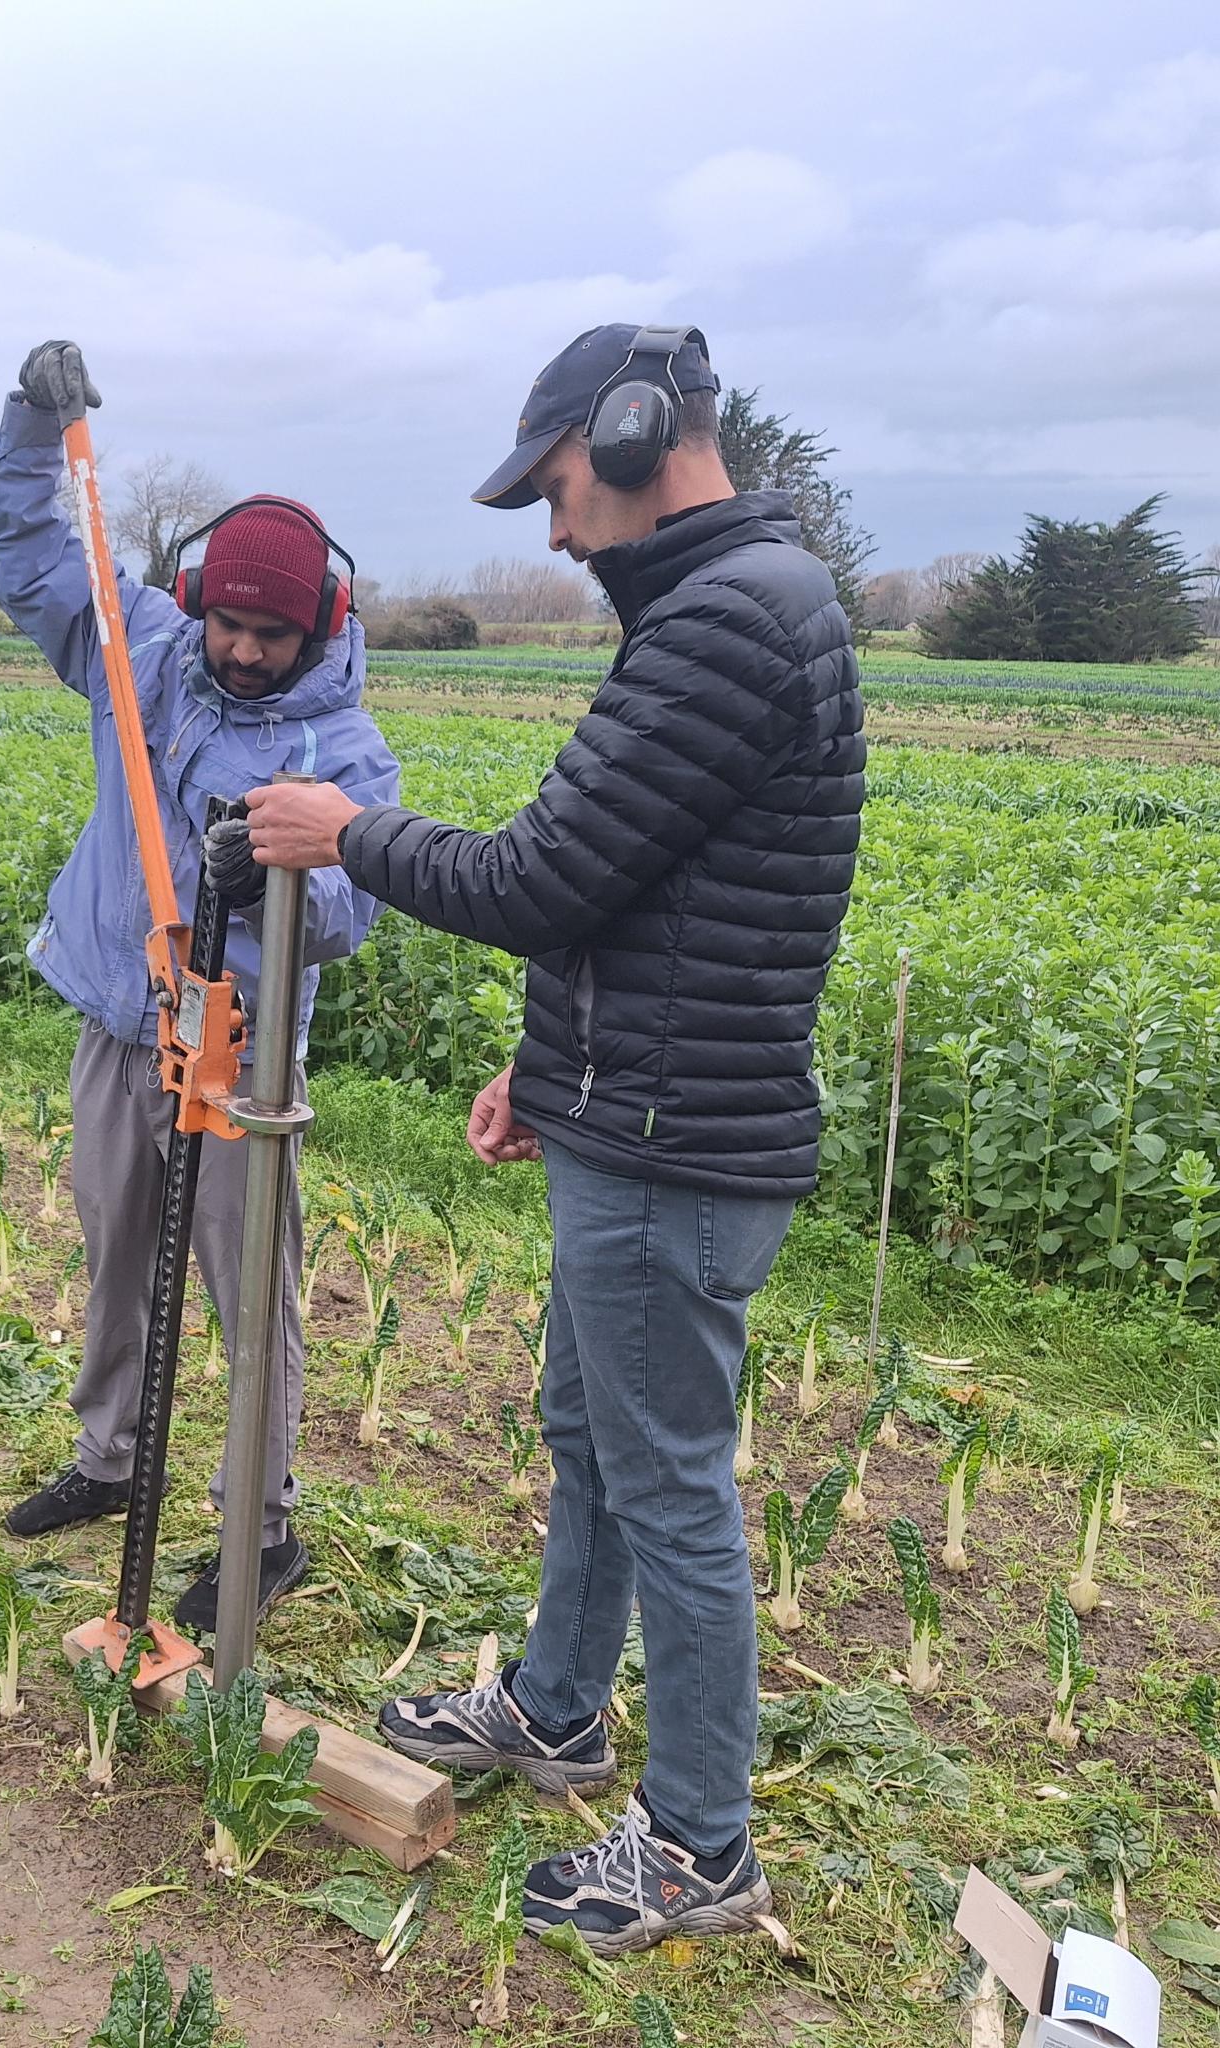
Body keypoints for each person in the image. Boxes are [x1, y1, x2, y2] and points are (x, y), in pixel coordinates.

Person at [245, 324, 864, 1954]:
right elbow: (651, 908)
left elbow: (536, 878)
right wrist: (544, 1074)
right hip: (635, 1117)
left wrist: (344, 832)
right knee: (589, 1435)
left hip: (672, 1153)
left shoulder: (725, 622)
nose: (548, 527)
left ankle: (699, 1849)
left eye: (554, 483)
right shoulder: (727, 606)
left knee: (666, 1488)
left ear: (636, 433)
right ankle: (556, 1707)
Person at [0, 340, 402, 1632]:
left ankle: (260, 1530)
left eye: (273, 634)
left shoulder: (346, 751)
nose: (245, 651)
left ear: (316, 628)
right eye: (229, 622)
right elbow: (22, 549)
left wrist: (275, 867)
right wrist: (33, 423)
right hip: (119, 1019)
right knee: (114, 1252)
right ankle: (111, 1460)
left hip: (240, 1050)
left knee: (245, 1290)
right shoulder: (143, 658)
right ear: (194, 602)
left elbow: (350, 909)